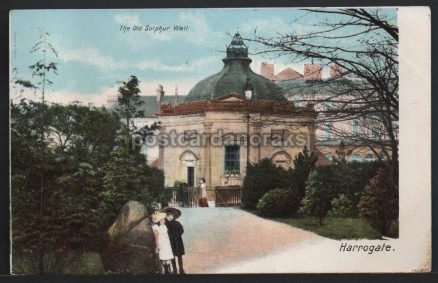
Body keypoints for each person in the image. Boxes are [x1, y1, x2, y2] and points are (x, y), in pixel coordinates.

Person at [163, 207, 185, 274]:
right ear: (166, 216)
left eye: (171, 215)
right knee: (172, 256)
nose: (170, 217)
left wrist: (177, 235)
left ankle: (181, 269)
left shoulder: (177, 223)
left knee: (179, 256)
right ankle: (174, 270)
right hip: (170, 242)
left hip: (178, 242)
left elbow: (182, 230)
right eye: (168, 215)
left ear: (174, 216)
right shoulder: (165, 224)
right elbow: (164, 232)